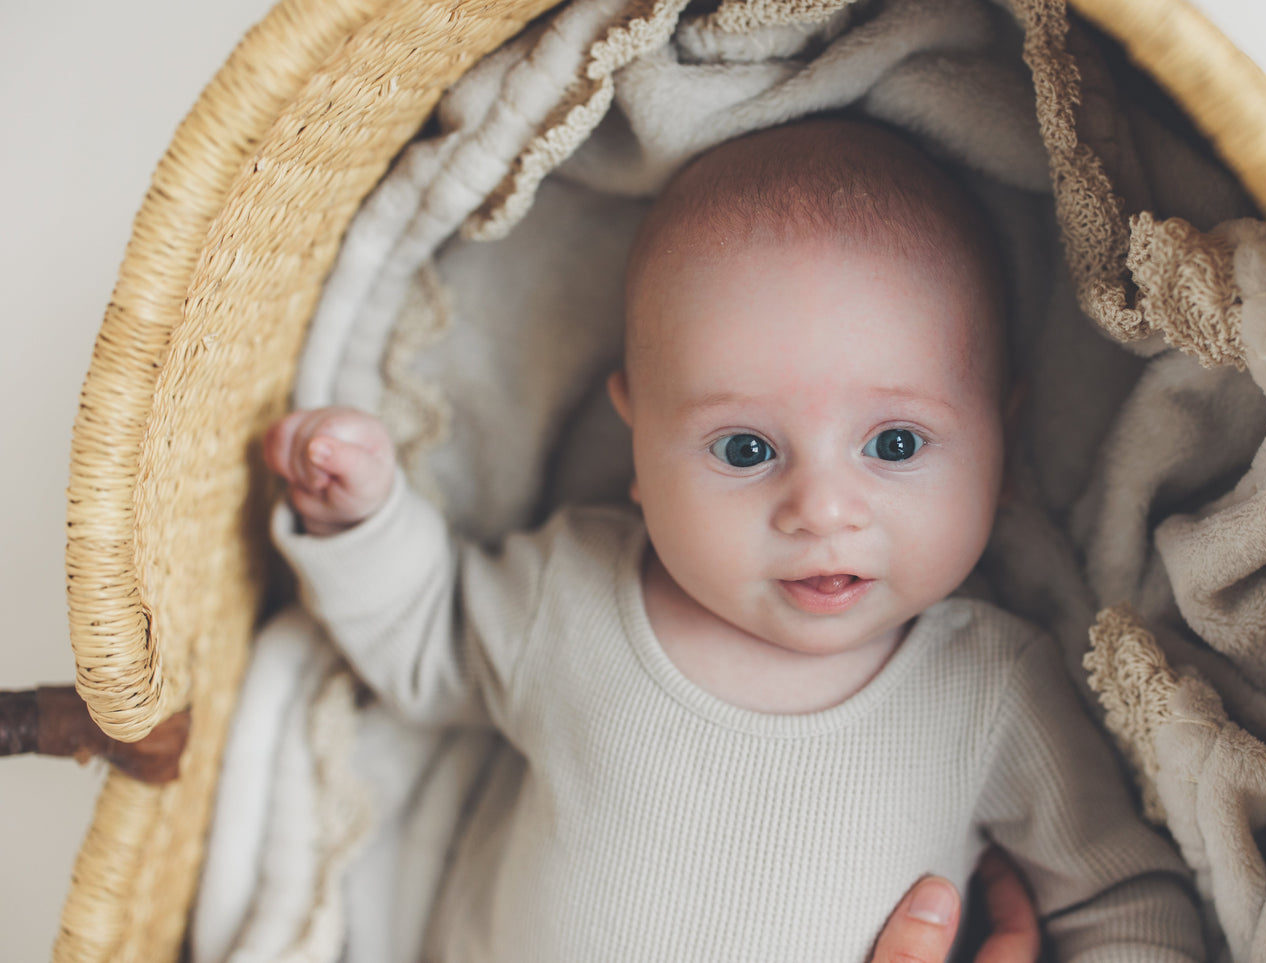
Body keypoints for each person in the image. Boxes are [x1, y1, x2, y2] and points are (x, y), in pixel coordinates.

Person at [265, 118, 1203, 961]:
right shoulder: (577, 590)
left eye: (896, 443)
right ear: (638, 444)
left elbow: (1124, 905)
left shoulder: (989, 692)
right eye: (747, 449)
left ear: (998, 447)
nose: (821, 508)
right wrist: (363, 519)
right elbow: (426, 640)